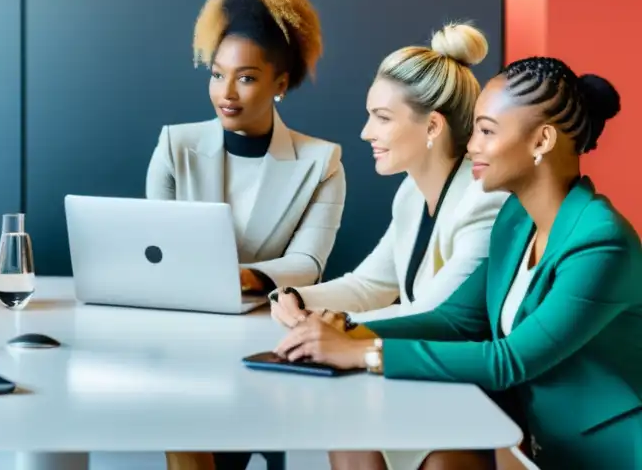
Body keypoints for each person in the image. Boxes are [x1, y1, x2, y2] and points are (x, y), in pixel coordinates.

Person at [273, 57, 640, 470]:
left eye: (487, 131)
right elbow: (456, 320)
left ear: (541, 142)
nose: (471, 145)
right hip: (528, 437)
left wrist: (364, 354)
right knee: (371, 437)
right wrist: (347, 329)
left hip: (603, 454)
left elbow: (511, 359)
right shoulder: (516, 220)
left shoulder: (600, 242)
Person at [270, 24, 509, 327]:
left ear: (433, 126)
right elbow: (369, 286)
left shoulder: (483, 200)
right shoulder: (412, 192)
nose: (366, 133)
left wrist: (340, 328)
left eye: (382, 118)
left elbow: (435, 317)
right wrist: (296, 298)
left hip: (459, 372)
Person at [147, 0, 345, 294]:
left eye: (246, 78)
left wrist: (246, 277)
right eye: (217, 74)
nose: (226, 93)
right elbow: (155, 242)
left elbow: (308, 262)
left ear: (280, 83)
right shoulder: (175, 147)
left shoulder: (321, 164)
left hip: (266, 318)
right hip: (180, 308)